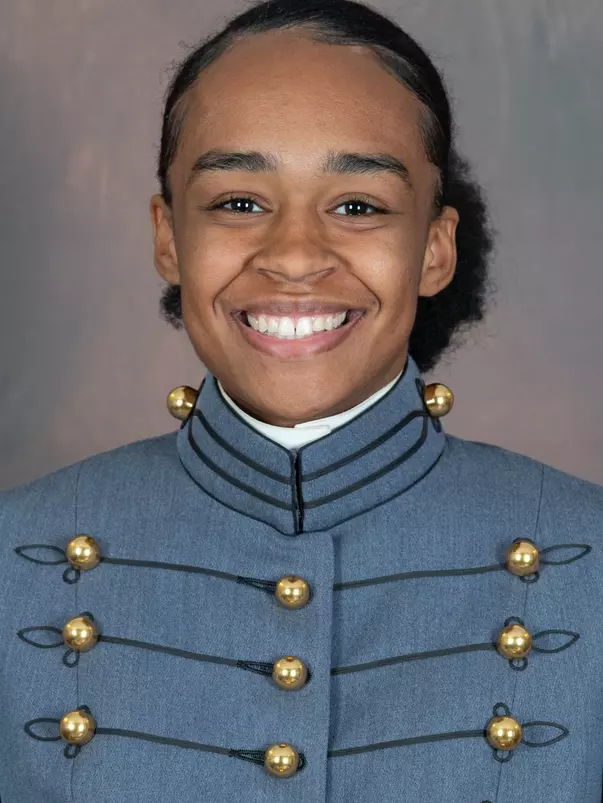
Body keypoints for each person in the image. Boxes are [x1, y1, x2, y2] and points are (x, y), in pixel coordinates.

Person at [1, 1, 602, 800]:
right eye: (238, 202)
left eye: (357, 206)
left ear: (432, 249)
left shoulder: (587, 557)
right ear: (168, 239)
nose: (292, 256)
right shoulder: (15, 555)